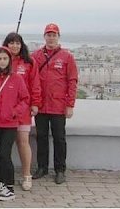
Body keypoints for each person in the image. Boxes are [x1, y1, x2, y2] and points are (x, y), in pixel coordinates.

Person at [31, 23, 79, 185]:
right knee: (41, 137)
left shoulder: (67, 56)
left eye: (54, 35)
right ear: (44, 36)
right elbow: (31, 78)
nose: (51, 37)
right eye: (48, 34)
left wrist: (70, 104)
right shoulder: (36, 56)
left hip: (58, 106)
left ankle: (60, 170)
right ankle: (42, 167)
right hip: (41, 105)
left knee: (59, 138)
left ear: (58, 37)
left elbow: (72, 81)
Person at [0, 47, 30, 202]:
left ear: (9, 60)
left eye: (5, 59)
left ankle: (9, 186)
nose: (2, 61)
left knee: (5, 154)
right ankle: (2, 182)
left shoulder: (16, 79)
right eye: (0, 59)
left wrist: (14, 112)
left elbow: (25, 99)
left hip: (10, 123)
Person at [2, 32, 41, 191]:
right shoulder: (2, 60)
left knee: (23, 142)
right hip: (4, 110)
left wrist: (35, 103)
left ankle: (26, 176)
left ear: (22, 45)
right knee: (4, 144)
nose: (14, 46)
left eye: (17, 43)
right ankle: (3, 175)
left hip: (23, 110)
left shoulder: (29, 62)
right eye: (11, 43)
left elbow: (35, 84)